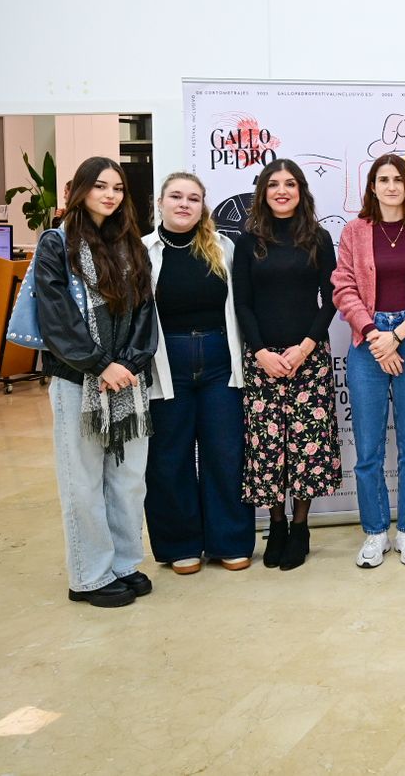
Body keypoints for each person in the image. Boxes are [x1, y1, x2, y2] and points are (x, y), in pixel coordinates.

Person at [33, 156, 158, 608]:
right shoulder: (56, 244)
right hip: (78, 380)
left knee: (128, 480)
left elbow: (146, 310)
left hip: (127, 380)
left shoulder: (131, 246)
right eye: (101, 186)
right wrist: (100, 364)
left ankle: (123, 563)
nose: (110, 195)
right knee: (82, 481)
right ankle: (89, 575)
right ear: (81, 190)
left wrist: (130, 362)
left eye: (118, 188)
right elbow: (57, 318)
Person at [333, 154, 405, 569]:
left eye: (398, 179)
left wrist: (396, 335)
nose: (391, 186)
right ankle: (376, 531)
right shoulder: (354, 231)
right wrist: (373, 334)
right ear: (372, 186)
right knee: (367, 447)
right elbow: (343, 287)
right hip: (368, 342)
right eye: (383, 179)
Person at [232, 159, 341, 572]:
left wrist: (305, 347)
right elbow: (241, 302)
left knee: (305, 449)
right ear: (262, 191)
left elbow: (331, 299)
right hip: (262, 360)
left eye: (289, 184)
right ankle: (275, 526)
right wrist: (260, 352)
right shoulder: (248, 242)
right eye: (273, 184)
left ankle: (300, 527)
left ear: (301, 191)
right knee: (268, 448)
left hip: (307, 359)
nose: (281, 190)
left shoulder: (318, 238)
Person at [142, 172, 252, 576]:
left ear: (203, 204)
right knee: (169, 457)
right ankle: (180, 544)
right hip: (166, 364)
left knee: (225, 452)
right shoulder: (144, 251)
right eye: (176, 196)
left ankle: (230, 540)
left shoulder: (224, 247)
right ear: (161, 202)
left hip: (220, 361)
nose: (184, 204)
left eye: (193, 198)